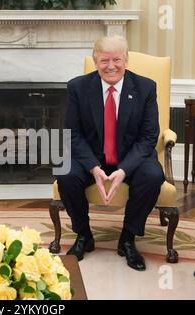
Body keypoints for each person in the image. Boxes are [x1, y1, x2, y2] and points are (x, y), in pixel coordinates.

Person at [57, 35, 164, 271]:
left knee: (152, 176)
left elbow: (148, 137)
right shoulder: (78, 87)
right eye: (104, 60)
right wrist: (94, 168)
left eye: (117, 59)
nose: (111, 66)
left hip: (130, 158)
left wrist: (123, 170)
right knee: (65, 173)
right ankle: (84, 235)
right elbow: (72, 134)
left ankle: (127, 238)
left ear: (126, 60)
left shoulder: (145, 87)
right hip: (92, 158)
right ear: (95, 60)